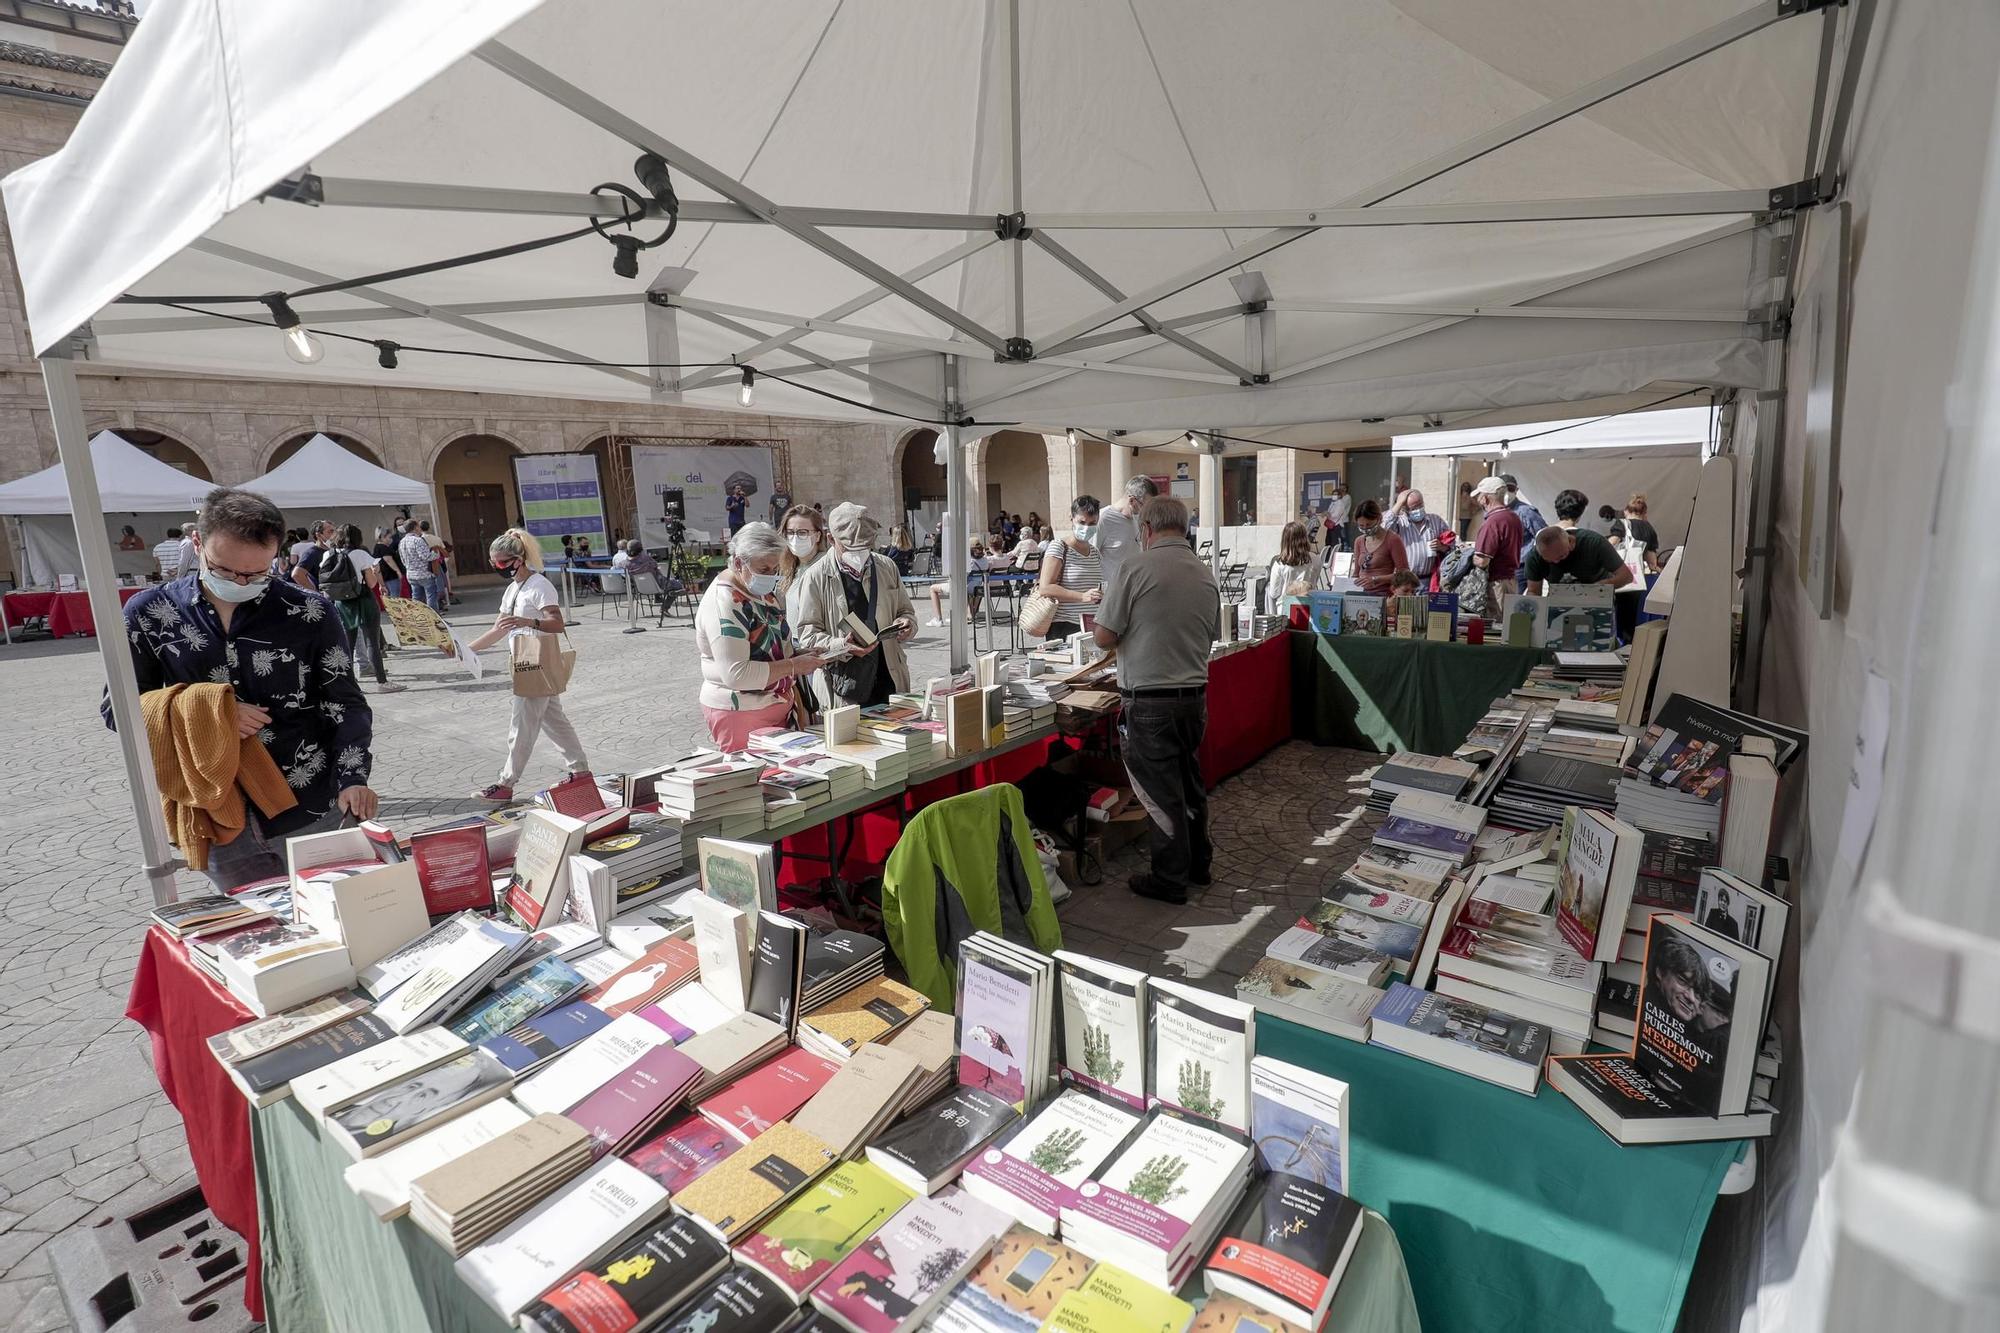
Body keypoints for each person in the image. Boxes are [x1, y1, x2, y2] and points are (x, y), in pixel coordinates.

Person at [111, 487, 377, 890]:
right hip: (218, 810)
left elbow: (345, 701)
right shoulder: (149, 613)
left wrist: (353, 777)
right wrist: (209, 715)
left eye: (258, 573)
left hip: (309, 803)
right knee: (257, 930)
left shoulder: (308, 611)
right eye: (225, 570)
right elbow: (120, 710)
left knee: (340, 924)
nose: (241, 581)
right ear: (197, 543)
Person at [1093, 496, 1219, 905]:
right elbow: (1210, 633)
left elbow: (1103, 636)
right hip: (1192, 697)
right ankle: (1199, 865)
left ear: (1145, 529)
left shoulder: (1136, 566)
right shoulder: (1204, 572)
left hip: (1150, 702)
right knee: (1189, 784)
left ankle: (1169, 879)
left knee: (1160, 793)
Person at [466, 529, 588, 802]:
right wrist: (465, 650)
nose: (498, 567)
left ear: (519, 559)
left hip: (536, 663)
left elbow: (557, 624)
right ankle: (580, 771)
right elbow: (498, 630)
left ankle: (506, 783)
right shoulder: (512, 590)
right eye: (493, 562)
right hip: (524, 662)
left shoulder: (539, 586)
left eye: (501, 562)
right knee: (555, 721)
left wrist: (528, 622)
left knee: (521, 725)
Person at [694, 523, 825, 749]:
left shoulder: (755, 589)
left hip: (774, 705)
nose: (771, 577)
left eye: (775, 570)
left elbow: (769, 645)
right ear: (738, 563)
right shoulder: (724, 603)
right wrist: (794, 665)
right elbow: (736, 674)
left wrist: (800, 655)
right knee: (753, 778)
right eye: (764, 570)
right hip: (741, 712)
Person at [789, 502, 917, 708]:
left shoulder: (886, 566)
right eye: (849, 547)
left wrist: (907, 624)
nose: (858, 554)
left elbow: (906, 611)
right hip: (843, 687)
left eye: (865, 547)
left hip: (889, 680)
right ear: (831, 539)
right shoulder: (815, 577)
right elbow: (807, 636)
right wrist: (842, 645)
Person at [321, 525, 402, 692]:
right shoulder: (360, 554)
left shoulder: (328, 554)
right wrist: (375, 570)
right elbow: (371, 583)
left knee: (348, 644)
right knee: (371, 641)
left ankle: (350, 684)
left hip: (342, 602)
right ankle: (382, 683)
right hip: (363, 599)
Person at [1037, 497, 1104, 642]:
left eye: (1092, 523)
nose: (1086, 527)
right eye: (1082, 522)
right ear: (1071, 518)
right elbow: (1045, 588)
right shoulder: (1059, 547)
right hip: (1064, 627)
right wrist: (1082, 596)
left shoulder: (1095, 552)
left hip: (1091, 626)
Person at [1095, 474, 1159, 601]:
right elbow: (1091, 557)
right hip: (1111, 596)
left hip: (1134, 591)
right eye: (1145, 506)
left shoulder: (1138, 519)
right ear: (1132, 501)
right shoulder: (1103, 519)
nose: (1148, 511)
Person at [1523, 525, 1634, 596]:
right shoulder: (1534, 557)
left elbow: (1626, 576)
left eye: (1561, 556)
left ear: (1571, 542)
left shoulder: (1593, 543)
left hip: (1597, 597)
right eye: (1549, 560)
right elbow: (1533, 591)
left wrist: (1597, 587)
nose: (1556, 562)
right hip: (1559, 601)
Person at [1468, 475, 1525, 612]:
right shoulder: (1513, 517)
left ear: (1485, 498)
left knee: (1495, 627)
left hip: (1497, 584)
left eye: (1479, 496)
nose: (1478, 501)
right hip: (1511, 580)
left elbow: (1482, 561)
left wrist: (1468, 555)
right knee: (1506, 625)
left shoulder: (1493, 521)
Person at [1385, 488, 1450, 581]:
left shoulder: (1436, 520)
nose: (1418, 510)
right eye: (1413, 508)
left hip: (1428, 579)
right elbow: (1384, 527)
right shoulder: (1399, 523)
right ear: (1404, 509)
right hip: (1405, 580)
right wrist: (1399, 503)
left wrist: (1442, 547)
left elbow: (1452, 545)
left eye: (1420, 505)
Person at [924, 539, 991, 626]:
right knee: (965, 590)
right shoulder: (985, 560)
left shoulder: (969, 562)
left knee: (933, 588)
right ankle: (966, 615)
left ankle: (938, 619)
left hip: (964, 588)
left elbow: (961, 578)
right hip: (977, 587)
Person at [1264, 520, 1324, 615]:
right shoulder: (1316, 559)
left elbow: (1274, 593)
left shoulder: (1279, 564)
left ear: (1285, 540)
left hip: (1285, 611)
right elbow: (1314, 582)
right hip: (1309, 609)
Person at [1349, 500, 1408, 596]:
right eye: (1361, 526)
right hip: (1361, 595)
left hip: (1383, 594)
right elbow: (1356, 573)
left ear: (1379, 519)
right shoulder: (1359, 541)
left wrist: (1376, 579)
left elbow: (1404, 574)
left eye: (1369, 525)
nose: (1365, 529)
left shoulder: (1393, 540)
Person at [1499, 475, 1546, 590]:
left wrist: (1533, 557)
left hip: (1520, 566)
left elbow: (1543, 534)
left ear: (1516, 490)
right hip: (1500, 565)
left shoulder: (1525, 511)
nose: (1507, 493)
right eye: (1503, 489)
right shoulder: (1493, 511)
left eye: (1510, 488)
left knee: (1512, 601)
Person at [778, 504, 829, 597]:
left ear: (817, 536)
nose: (795, 538)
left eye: (802, 533)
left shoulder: (827, 568)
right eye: (790, 532)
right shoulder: (791, 568)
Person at [398, 519, 441, 612]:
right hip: (424, 573)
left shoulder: (402, 542)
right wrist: (436, 554)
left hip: (411, 574)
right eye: (418, 526)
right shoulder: (417, 540)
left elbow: (402, 559)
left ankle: (419, 621)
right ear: (415, 528)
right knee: (431, 597)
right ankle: (435, 621)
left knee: (416, 599)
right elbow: (426, 556)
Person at [289, 520, 333, 591]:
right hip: (326, 597)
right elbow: (297, 574)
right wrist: (315, 592)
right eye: (330, 532)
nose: (334, 535)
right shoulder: (312, 553)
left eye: (334, 531)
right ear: (318, 535)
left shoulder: (333, 550)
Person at [1623, 493, 1662, 571]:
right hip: (1638, 570)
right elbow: (1651, 558)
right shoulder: (1650, 528)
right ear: (1644, 513)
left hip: (1622, 568)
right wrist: (1656, 569)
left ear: (1626, 511)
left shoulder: (1623, 524)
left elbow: (1612, 542)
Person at [1324, 481, 1354, 547]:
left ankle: (1346, 550)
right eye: (1340, 488)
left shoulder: (1346, 498)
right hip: (1332, 523)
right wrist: (1327, 513)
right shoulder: (1333, 502)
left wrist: (1329, 515)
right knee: (1329, 540)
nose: (1341, 489)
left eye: (1343, 488)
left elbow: (1337, 513)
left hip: (1341, 521)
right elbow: (1329, 511)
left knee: (1344, 537)